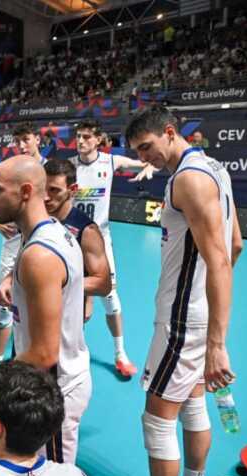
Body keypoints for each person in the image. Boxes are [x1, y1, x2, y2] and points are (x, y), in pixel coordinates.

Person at [125, 105, 243, 476]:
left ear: (170, 132)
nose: (144, 157)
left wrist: (216, 343)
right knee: (193, 403)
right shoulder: (215, 169)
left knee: (157, 419)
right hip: (196, 311)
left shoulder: (188, 179)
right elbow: (236, 244)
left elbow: (220, 259)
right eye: (137, 152)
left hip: (180, 318)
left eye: (147, 146)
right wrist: (208, 304)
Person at [0, 155, 89, 465]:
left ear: (26, 192)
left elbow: (44, 354)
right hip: (58, 378)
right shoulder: (49, 230)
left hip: (54, 388)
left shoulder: (39, 254)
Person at [72, 118, 156, 378]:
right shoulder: (69, 166)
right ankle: (73, 349)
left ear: (98, 139)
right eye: (78, 136)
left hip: (100, 240)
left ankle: (120, 353)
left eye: (87, 136)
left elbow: (150, 160)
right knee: (70, 296)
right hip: (71, 239)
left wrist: (149, 167)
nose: (81, 141)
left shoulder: (111, 161)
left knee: (110, 296)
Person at [0, 121, 47, 369]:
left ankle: (29, 357)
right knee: (5, 302)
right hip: (12, 244)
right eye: (18, 141)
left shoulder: (48, 170)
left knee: (38, 303)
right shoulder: (10, 169)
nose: (21, 145)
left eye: (26, 140)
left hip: (39, 244)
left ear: (37, 140)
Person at [44, 158, 112, 321]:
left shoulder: (87, 231)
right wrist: (10, 278)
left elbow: (103, 283)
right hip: (30, 313)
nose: (46, 197)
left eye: (54, 190)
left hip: (66, 319)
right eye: (43, 189)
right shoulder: (35, 219)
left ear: (72, 190)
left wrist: (52, 284)